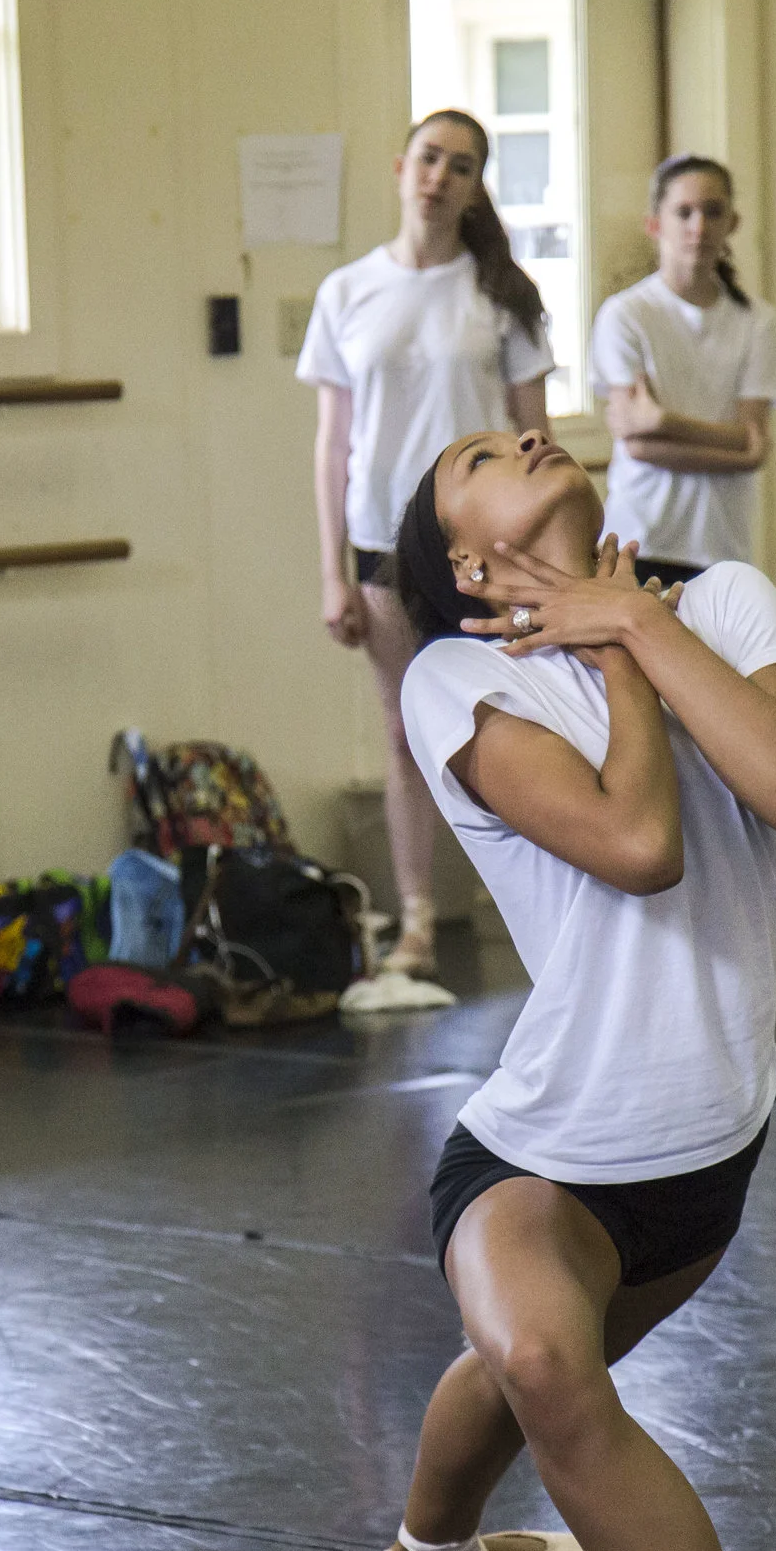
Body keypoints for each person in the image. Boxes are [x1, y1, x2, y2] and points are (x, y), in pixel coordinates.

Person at [380, 425, 776, 1551]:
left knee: (526, 1368)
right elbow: (640, 843)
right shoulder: (458, 681)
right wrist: (620, 652)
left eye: (522, 423)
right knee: (541, 1360)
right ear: (468, 561)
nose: (524, 431)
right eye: (477, 454)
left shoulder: (726, 603)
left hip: (704, 1154)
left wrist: (640, 619)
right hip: (545, 1141)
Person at [297, 110, 555, 977]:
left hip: (484, 545)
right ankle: (415, 918)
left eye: (462, 165)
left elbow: (535, 438)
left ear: (477, 186)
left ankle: (541, 913)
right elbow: (333, 445)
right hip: (381, 540)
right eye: (429, 159)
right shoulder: (347, 292)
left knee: (512, 720)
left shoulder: (501, 296)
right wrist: (331, 574)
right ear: (401, 167)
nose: (440, 177)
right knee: (405, 727)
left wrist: (546, 561)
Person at [590, 154, 776, 593]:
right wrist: (738, 449)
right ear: (654, 223)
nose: (699, 226)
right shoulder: (626, 315)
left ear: (733, 222)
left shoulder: (757, 322)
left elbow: (754, 442)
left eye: (713, 211)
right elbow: (639, 445)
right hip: (640, 539)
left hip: (723, 546)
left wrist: (662, 421)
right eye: (684, 212)